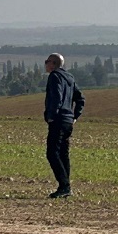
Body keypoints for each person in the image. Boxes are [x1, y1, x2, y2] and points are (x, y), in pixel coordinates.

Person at [43, 53, 85, 198]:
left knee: (52, 153)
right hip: (68, 121)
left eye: (47, 61)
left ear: (53, 64)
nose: (45, 64)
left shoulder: (54, 76)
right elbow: (80, 98)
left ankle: (65, 186)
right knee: (63, 154)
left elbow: (57, 97)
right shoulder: (69, 77)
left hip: (58, 120)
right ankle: (66, 187)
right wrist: (75, 116)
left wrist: (51, 116)